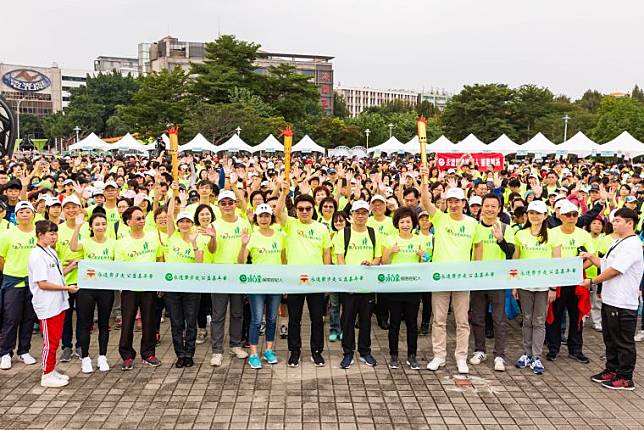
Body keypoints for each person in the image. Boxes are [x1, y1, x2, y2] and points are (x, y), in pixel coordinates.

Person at [581, 208, 644, 390]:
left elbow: (615, 270)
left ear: (630, 223)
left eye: (618, 221)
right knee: (610, 338)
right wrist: (591, 257)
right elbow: (607, 264)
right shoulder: (617, 242)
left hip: (623, 301)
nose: (614, 223)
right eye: (614, 221)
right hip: (610, 299)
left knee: (623, 341)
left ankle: (625, 377)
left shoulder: (632, 245)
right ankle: (612, 369)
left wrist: (592, 281)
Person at [420, 178, 477, 374]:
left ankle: (461, 358)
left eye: (457, 201)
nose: (453, 205)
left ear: (463, 203)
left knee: (462, 321)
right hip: (440, 277)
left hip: (462, 278)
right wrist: (425, 181)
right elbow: (425, 202)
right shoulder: (440, 218)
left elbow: (477, 247)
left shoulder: (472, 223)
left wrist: (475, 270)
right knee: (439, 319)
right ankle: (439, 356)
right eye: (450, 201)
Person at [276, 182, 331, 367]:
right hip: (294, 281)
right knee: (294, 319)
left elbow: (326, 254)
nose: (304, 211)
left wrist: (326, 276)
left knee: (317, 319)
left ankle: (317, 351)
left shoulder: (321, 228)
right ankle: (295, 351)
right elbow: (278, 213)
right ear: (296, 210)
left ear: (314, 209)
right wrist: (284, 193)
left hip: (315, 281)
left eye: (308, 208)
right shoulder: (290, 225)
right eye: (301, 209)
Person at [28, 220, 79, 387]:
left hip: (58, 303)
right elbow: (42, 283)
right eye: (51, 233)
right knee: (50, 342)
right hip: (47, 304)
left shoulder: (50, 251)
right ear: (40, 235)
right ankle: (46, 375)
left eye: (55, 233)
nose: (54, 236)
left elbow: (55, 274)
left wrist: (70, 267)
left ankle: (51, 369)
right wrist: (67, 288)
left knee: (55, 340)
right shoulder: (37, 255)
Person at [512, 200, 560, 375]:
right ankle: (527, 353)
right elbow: (516, 261)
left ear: (545, 216)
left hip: (543, 287)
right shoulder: (520, 234)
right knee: (527, 319)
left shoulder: (553, 236)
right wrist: (515, 284)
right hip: (525, 284)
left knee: (539, 321)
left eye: (538, 213)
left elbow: (557, 263)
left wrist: (553, 288)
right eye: (531, 213)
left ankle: (536, 356)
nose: (534, 216)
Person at [115, 206, 164, 370]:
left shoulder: (152, 238)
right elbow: (119, 267)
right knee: (128, 322)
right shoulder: (121, 243)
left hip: (149, 287)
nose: (142, 221)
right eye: (137, 218)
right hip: (129, 289)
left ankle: (148, 353)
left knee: (149, 321)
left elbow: (159, 260)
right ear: (128, 222)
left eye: (143, 218)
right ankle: (127, 355)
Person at [334, 200, 381, 369]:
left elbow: (378, 257)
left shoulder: (373, 233)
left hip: (367, 287)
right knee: (347, 321)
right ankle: (348, 353)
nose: (360, 216)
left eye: (364, 213)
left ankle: (365, 352)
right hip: (349, 288)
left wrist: (372, 263)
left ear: (368, 215)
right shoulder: (343, 234)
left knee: (366, 322)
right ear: (351, 215)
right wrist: (347, 277)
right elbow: (339, 258)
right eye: (357, 213)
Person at [546, 201, 594, 364]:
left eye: (574, 215)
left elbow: (591, 258)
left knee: (577, 316)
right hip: (557, 281)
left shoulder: (583, 234)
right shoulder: (551, 233)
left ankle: (576, 349)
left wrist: (579, 268)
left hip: (576, 282)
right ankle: (553, 348)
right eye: (568, 215)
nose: (571, 218)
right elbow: (549, 258)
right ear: (560, 216)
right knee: (555, 316)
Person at [471, 193, 515, 372]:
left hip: (497, 280)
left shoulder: (505, 227)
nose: (489, 209)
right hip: (477, 280)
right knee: (478, 318)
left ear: (499, 209)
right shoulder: (474, 227)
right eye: (486, 205)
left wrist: (500, 239)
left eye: (493, 206)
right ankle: (480, 350)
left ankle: (499, 355)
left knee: (499, 319)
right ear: (481, 207)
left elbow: (511, 252)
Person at [238, 204, 284, 369]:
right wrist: (243, 245)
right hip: (256, 284)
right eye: (261, 216)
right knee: (257, 320)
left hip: (275, 284)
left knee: (272, 319)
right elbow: (241, 261)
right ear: (256, 219)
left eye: (267, 216)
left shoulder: (279, 235)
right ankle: (254, 353)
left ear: (271, 218)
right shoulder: (252, 236)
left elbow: (284, 259)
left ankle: (269, 350)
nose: (264, 219)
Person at [70, 209, 115, 373]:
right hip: (87, 289)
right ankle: (86, 357)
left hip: (106, 289)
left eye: (103, 224)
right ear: (91, 227)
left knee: (104, 324)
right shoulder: (87, 242)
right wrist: (77, 227)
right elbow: (73, 247)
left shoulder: (113, 243)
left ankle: (102, 356)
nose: (100, 227)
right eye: (97, 224)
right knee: (84, 323)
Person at [209, 189, 251, 367]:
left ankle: (235, 345)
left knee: (237, 313)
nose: (227, 206)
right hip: (219, 276)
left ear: (235, 204)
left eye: (230, 202)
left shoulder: (244, 223)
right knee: (218, 315)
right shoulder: (214, 224)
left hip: (238, 275)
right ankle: (217, 351)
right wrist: (212, 238)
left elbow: (247, 251)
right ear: (218, 205)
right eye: (223, 203)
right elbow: (211, 250)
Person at [382, 207, 427, 370]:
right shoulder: (390, 239)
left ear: (413, 223)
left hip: (413, 288)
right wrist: (390, 251)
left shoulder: (418, 239)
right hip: (394, 288)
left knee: (412, 324)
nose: (405, 224)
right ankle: (393, 355)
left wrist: (423, 257)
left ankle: (412, 355)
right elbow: (384, 263)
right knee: (394, 323)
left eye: (408, 221)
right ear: (397, 223)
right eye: (402, 221)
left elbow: (424, 264)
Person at [164, 185, 204, 368]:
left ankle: (189, 354)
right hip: (173, 288)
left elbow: (199, 263)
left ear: (192, 223)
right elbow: (170, 212)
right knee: (176, 323)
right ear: (177, 224)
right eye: (182, 222)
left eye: (188, 221)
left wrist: (194, 244)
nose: (185, 224)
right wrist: (173, 194)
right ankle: (180, 354)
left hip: (192, 287)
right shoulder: (171, 235)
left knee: (191, 321)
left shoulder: (198, 237)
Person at [0, 201, 38, 370]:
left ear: (33, 214)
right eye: (21, 211)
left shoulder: (38, 233)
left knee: (28, 317)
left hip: (34, 281)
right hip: (13, 281)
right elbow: (1, 258)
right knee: (11, 318)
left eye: (27, 211)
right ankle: (5, 353)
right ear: (15, 215)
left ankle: (24, 350)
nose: (24, 214)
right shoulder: (7, 234)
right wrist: (12, 270)